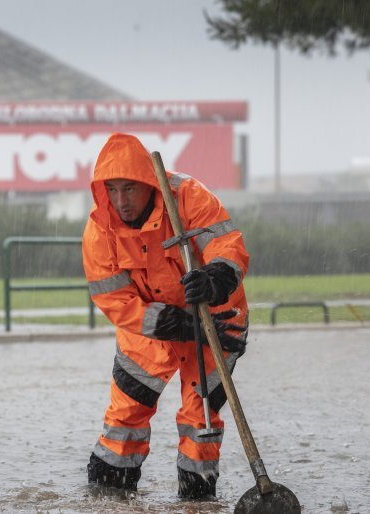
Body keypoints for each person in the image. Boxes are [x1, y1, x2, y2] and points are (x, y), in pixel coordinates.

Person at [82, 133, 250, 499]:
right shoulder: (100, 230)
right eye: (112, 189)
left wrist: (215, 278)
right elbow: (113, 299)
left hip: (215, 319)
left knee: (200, 419)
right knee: (126, 416)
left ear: (147, 183)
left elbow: (227, 245)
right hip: (149, 328)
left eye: (129, 188)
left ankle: (197, 501)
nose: (121, 201)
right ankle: (108, 498)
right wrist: (172, 324)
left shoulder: (189, 196)